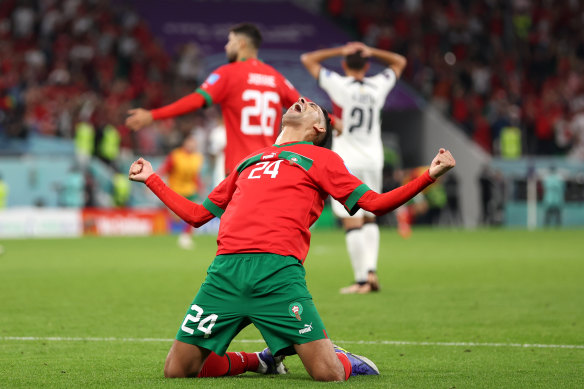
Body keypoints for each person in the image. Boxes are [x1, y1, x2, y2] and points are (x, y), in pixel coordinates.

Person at [128, 97, 456, 381]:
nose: (300, 101)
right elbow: (198, 215)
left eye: (311, 106)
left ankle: (344, 358)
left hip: (278, 273)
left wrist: (428, 176)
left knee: (329, 374)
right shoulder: (249, 160)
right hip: (224, 273)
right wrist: (153, 179)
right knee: (177, 369)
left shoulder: (324, 159)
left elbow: (373, 203)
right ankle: (259, 360)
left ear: (319, 129)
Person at [126, 23, 306, 175]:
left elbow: (196, 100)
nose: (227, 46)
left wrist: (153, 115)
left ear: (241, 44)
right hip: (268, 167)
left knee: (233, 217)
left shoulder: (228, 73)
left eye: (230, 41)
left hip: (241, 168)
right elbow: (307, 109)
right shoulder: (276, 78)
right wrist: (333, 122)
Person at [300, 41, 407, 294]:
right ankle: (371, 273)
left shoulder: (339, 84)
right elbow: (399, 61)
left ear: (345, 64)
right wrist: (372, 51)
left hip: (347, 159)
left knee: (351, 220)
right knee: (370, 217)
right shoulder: (378, 85)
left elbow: (308, 59)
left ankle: (361, 281)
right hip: (373, 158)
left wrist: (339, 50)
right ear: (368, 64)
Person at [157, 134, 204, 249]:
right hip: (176, 190)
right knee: (176, 217)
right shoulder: (176, 155)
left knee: (195, 214)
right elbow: (165, 169)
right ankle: (168, 233)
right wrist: (154, 180)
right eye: (190, 142)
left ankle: (185, 237)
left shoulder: (197, 158)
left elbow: (194, 175)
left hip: (190, 190)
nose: (192, 145)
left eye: (194, 143)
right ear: (185, 143)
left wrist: (200, 186)